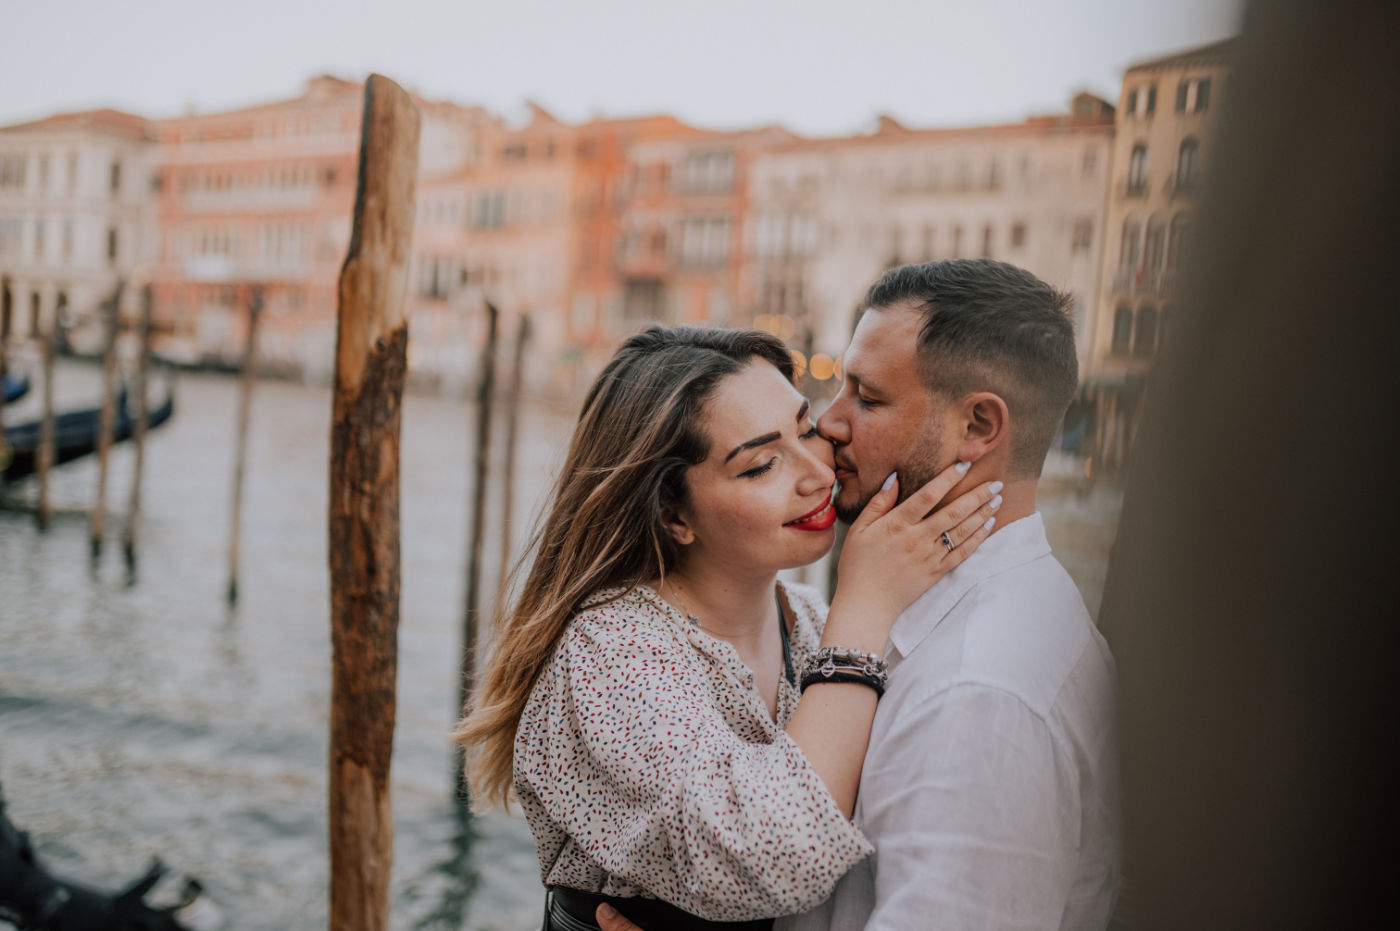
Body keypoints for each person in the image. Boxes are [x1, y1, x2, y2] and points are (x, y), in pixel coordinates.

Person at [599, 259, 1121, 931]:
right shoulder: (952, 623)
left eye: (867, 399)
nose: (829, 425)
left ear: (979, 427)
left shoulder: (980, 693)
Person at [453, 325, 1003, 930]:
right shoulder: (610, 652)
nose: (818, 474)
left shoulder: (814, 624)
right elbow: (775, 855)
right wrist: (867, 603)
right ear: (673, 513)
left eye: (805, 430)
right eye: (761, 464)